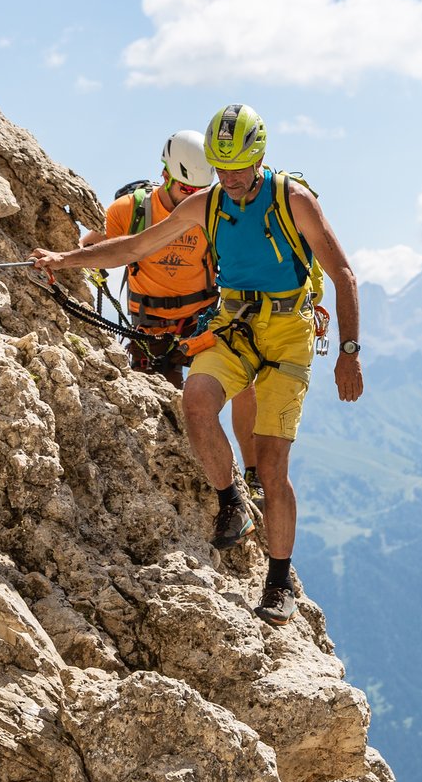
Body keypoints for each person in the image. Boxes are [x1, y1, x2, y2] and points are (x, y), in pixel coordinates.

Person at [33, 103, 363, 626]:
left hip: (287, 334)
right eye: (221, 166)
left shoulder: (291, 200)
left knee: (274, 467)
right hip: (233, 324)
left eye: (238, 166)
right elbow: (136, 246)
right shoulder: (207, 203)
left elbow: (342, 273)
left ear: (258, 157)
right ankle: (230, 499)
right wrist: (63, 261)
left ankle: (278, 583)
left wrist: (349, 353)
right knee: (196, 404)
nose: (229, 178)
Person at [81, 129, 263, 498]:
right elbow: (102, 247)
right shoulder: (130, 211)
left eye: (199, 193)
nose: (192, 201)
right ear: (165, 175)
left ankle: (254, 473)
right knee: (170, 409)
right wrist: (80, 257)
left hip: (201, 322)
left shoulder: (214, 213)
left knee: (245, 381)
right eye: (185, 191)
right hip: (151, 331)